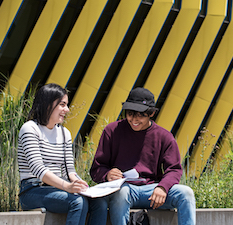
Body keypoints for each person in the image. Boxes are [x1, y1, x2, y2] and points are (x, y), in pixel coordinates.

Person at [89, 87, 196, 225]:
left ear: (151, 113)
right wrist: (107, 174)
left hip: (153, 190)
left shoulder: (164, 137)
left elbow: (174, 169)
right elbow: (96, 168)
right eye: (130, 114)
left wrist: (163, 187)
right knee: (122, 193)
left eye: (140, 115)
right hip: (123, 189)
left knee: (186, 193)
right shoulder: (112, 131)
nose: (134, 119)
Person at [17, 83, 89, 225]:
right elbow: (38, 169)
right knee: (77, 202)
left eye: (66, 105)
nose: (67, 110)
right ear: (48, 104)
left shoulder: (64, 133)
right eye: (62, 104)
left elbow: (70, 170)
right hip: (32, 190)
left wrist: (77, 183)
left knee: (96, 201)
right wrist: (66, 187)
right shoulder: (30, 129)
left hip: (57, 188)